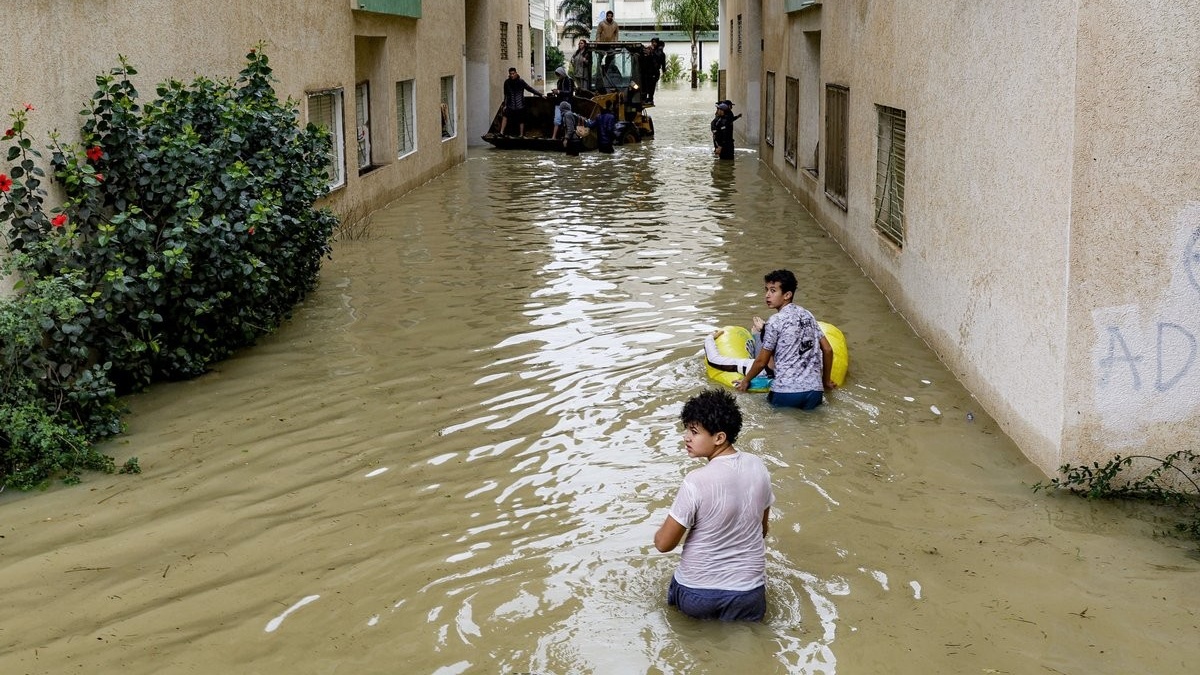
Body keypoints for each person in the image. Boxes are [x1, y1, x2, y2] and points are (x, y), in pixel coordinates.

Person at [654, 388, 775, 622]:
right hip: (749, 594)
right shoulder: (758, 466)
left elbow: (664, 544)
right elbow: (762, 530)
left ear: (719, 437)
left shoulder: (696, 480)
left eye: (694, 432)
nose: (686, 437)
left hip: (697, 594)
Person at [735, 269, 836, 410]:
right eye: (766, 290)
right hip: (814, 392)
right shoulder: (808, 315)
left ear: (787, 295)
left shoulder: (775, 321)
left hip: (785, 392)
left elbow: (761, 361)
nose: (767, 295)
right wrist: (826, 381)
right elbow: (827, 349)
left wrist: (745, 381)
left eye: (773, 290)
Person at [498, 67, 543, 138]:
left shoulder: (521, 81)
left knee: (521, 118)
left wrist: (540, 94)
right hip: (511, 105)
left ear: (516, 73)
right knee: (505, 114)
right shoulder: (507, 82)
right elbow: (506, 95)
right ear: (509, 74)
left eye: (513, 73)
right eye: (510, 74)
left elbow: (529, 89)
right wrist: (505, 105)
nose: (512, 75)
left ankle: (521, 134)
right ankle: (501, 132)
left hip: (520, 104)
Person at [550, 66, 575, 140]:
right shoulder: (559, 81)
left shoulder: (569, 80)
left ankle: (566, 137)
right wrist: (556, 92)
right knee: (557, 120)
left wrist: (558, 91)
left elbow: (570, 92)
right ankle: (554, 137)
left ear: (562, 73)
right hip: (558, 103)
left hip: (567, 103)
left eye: (559, 75)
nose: (558, 76)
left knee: (566, 120)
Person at [642, 38, 666, 104]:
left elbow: (663, 63)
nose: (653, 44)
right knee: (646, 85)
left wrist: (664, 72)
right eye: (652, 42)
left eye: (655, 42)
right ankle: (645, 98)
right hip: (647, 71)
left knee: (651, 87)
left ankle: (650, 99)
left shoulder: (659, 52)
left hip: (654, 72)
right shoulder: (650, 51)